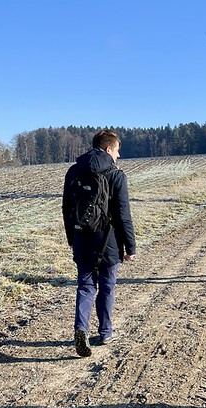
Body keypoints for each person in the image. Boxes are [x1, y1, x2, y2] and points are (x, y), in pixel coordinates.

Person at [62, 130, 136, 357]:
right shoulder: (116, 175)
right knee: (106, 287)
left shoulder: (73, 171)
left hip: (82, 237)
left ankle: (81, 328)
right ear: (107, 149)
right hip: (108, 240)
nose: (118, 155)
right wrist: (130, 246)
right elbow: (123, 215)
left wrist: (72, 238)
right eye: (117, 150)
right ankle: (105, 332)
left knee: (85, 287)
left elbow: (66, 208)